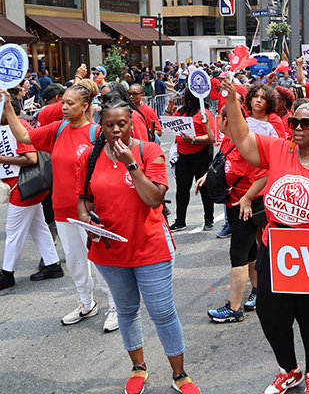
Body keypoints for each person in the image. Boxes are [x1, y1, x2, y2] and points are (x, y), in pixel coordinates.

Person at [220, 76, 309, 394]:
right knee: (270, 315)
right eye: (293, 122)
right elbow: (243, 139)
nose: (297, 127)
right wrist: (231, 99)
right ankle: (290, 370)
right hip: (276, 248)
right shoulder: (279, 150)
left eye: (305, 123)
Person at [76, 97, 201, 394]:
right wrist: (86, 220)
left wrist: (130, 163)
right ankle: (138, 368)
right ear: (101, 126)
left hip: (150, 247)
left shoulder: (149, 151)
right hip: (110, 250)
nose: (116, 130)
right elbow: (84, 199)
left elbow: (154, 199)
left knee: (162, 312)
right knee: (127, 310)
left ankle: (180, 374)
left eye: (122, 124)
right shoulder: (90, 157)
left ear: (131, 124)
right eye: (109, 125)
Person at [0, 81, 117, 331]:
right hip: (63, 209)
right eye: (63, 102)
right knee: (75, 260)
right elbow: (23, 136)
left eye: (70, 103)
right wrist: (8, 106)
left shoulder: (97, 133)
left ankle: (114, 305)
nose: (64, 107)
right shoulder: (58, 128)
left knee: (100, 262)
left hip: (91, 212)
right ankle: (86, 303)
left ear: (85, 106)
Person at [200, 105, 268, 321]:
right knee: (249, 251)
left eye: (219, 117)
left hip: (246, 207)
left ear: (226, 121)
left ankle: (234, 309)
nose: (217, 121)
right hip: (233, 204)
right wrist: (206, 176)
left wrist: (247, 197)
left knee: (238, 255)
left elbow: (264, 174)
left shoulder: (247, 144)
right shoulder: (229, 140)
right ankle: (258, 291)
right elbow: (222, 162)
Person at [0, 94, 63, 291]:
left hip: (24, 187)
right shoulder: (10, 125)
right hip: (25, 186)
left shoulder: (19, 126)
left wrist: (1, 159)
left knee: (13, 231)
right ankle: (52, 264)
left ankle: (7, 274)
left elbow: (31, 158)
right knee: (38, 226)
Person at [165, 90, 215, 232]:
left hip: (201, 156)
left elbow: (211, 137)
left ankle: (209, 219)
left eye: (183, 96)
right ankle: (180, 221)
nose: (181, 98)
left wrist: (193, 140)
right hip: (183, 156)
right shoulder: (180, 111)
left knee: (205, 189)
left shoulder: (204, 114)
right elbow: (168, 126)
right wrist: (169, 109)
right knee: (182, 190)